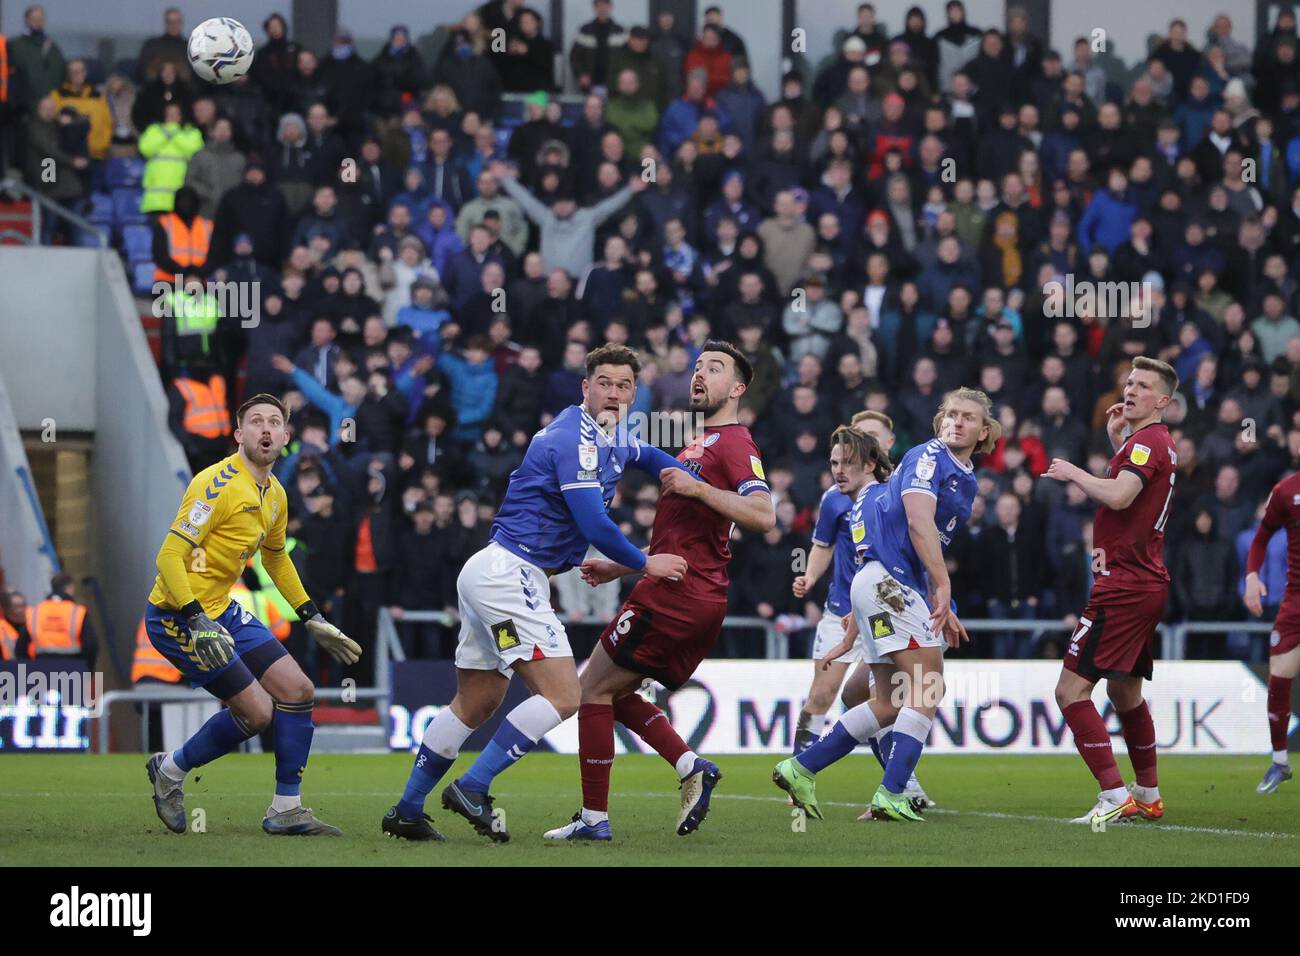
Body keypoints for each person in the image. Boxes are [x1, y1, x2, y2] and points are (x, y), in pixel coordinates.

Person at [382, 345, 689, 843]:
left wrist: (690, 479)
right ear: (584, 387)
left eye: (623, 385)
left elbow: (648, 454)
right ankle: (473, 786)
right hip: (512, 573)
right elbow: (594, 522)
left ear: (635, 393)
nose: (613, 393)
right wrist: (644, 562)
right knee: (566, 694)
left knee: (477, 701)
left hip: (495, 570)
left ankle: (408, 810)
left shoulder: (608, 437)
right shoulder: (575, 439)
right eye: (604, 383)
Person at [543, 341, 775, 841]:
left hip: (678, 596)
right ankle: (689, 766)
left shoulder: (734, 443)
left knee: (592, 690)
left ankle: (597, 818)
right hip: (670, 587)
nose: (699, 375)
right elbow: (683, 540)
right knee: (611, 692)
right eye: (696, 367)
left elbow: (763, 515)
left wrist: (699, 490)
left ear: (736, 388)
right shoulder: (698, 442)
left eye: (714, 369)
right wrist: (623, 567)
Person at [142, 394, 362, 836]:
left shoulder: (275, 495)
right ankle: (170, 771)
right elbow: (169, 556)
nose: (266, 428)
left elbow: (276, 558)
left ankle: (286, 810)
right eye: (256, 421)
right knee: (258, 714)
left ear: (285, 437)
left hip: (221, 609)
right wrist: (195, 616)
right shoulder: (216, 484)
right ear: (239, 435)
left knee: (298, 690)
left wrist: (311, 616)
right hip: (177, 616)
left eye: (274, 422)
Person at [773, 388, 995, 821]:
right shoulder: (930, 457)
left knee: (891, 699)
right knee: (928, 686)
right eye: (950, 414)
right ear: (937, 422)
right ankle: (893, 792)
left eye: (967, 416)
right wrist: (944, 587)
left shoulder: (887, 492)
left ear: (984, 431)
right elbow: (916, 522)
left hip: (882, 587)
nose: (956, 422)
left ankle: (801, 767)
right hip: (891, 587)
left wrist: (858, 627)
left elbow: (873, 564)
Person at [1040, 356, 1180, 826]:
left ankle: (1113, 793)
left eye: (1142, 386)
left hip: (1123, 585)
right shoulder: (1148, 442)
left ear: (1163, 401)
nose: (1130, 390)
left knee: (1070, 691)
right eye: (1128, 383)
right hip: (1142, 583)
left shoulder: (1147, 443)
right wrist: (1117, 442)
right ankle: (1147, 793)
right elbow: (1131, 492)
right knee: (1125, 695)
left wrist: (1074, 472)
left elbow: (1120, 496)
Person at [1243, 471, 1300, 794]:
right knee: (1279, 677)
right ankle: (1280, 762)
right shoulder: (1286, 490)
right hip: (1296, 601)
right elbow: (1261, 538)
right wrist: (1252, 576)